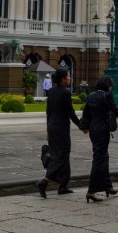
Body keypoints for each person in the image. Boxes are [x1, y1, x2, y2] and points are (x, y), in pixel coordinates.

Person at [37, 69, 85, 198]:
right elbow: (70, 112)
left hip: (52, 127)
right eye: (68, 76)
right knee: (61, 155)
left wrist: (48, 129)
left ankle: (63, 185)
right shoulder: (65, 93)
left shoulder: (51, 92)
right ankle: (45, 181)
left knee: (60, 155)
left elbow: (49, 113)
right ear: (63, 79)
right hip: (61, 129)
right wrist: (81, 126)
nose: (69, 78)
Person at [81, 76, 118, 202]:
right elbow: (117, 112)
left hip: (93, 130)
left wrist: (85, 126)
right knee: (99, 159)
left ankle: (107, 186)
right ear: (108, 85)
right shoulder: (107, 95)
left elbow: (86, 113)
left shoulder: (91, 95)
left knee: (103, 157)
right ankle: (91, 191)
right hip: (103, 130)